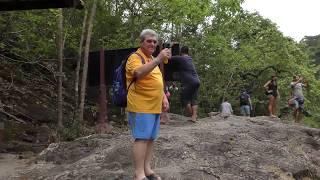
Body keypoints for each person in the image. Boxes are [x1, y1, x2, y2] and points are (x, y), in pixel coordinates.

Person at [126, 29, 170, 180]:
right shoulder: (135, 57)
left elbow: (155, 81)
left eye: (154, 42)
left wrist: (164, 97)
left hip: (154, 105)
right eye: (148, 41)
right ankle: (139, 174)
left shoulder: (151, 58)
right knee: (142, 138)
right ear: (141, 42)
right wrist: (158, 59)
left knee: (151, 138)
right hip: (141, 105)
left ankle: (147, 169)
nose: (152, 44)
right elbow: (138, 73)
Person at [170, 46, 200, 122]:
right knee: (194, 98)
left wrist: (170, 48)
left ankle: (192, 115)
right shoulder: (190, 59)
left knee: (185, 99)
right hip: (196, 81)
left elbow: (168, 57)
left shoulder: (181, 58)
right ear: (188, 52)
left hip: (188, 82)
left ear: (181, 51)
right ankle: (194, 116)